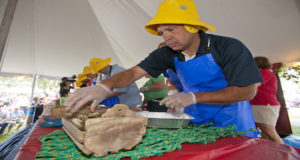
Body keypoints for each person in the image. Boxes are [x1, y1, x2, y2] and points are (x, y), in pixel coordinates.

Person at [66, 0, 262, 137]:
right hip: (195, 121)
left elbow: (247, 91)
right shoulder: (167, 53)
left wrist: (194, 97)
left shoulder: (228, 47)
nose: (165, 37)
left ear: (192, 27)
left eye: (170, 29)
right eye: (161, 32)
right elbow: (134, 73)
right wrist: (104, 87)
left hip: (234, 123)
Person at [250, 57, 284, 143]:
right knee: (265, 134)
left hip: (265, 106)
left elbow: (254, 84)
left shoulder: (265, 72)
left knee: (270, 132)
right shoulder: (263, 73)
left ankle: (285, 154)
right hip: (260, 105)